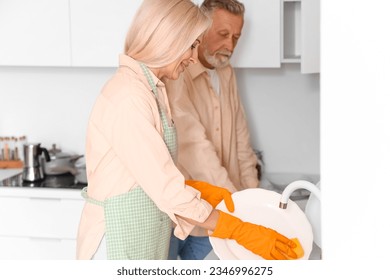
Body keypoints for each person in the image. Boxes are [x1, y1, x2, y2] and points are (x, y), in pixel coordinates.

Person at [76, 0, 298, 260]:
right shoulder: (129, 97)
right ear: (169, 40)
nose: (194, 57)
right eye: (192, 45)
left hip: (144, 232)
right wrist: (239, 228)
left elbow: (148, 174)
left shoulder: (150, 90)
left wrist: (200, 189)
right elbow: (166, 186)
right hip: (119, 238)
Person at [166, 0, 259, 260]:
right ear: (201, 30)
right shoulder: (177, 74)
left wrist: (253, 200)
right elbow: (194, 147)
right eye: (223, 35)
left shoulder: (226, 73)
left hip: (218, 221)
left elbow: (242, 143)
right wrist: (237, 208)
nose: (230, 46)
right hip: (181, 216)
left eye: (236, 38)